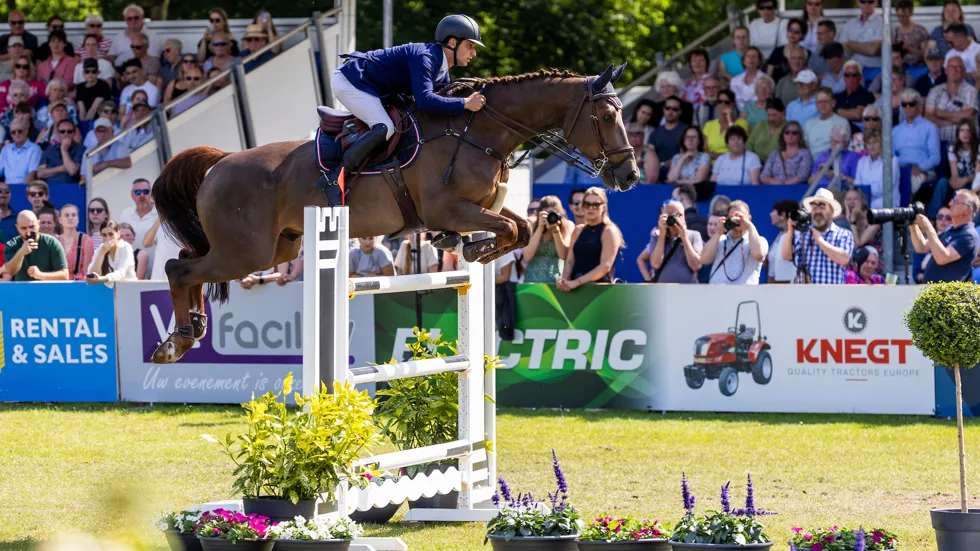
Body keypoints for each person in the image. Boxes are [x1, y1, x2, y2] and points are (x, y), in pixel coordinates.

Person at [319, 14, 487, 204]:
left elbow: (441, 102)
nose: (473, 53)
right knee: (385, 127)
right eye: (470, 46)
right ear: (452, 42)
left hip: (375, 88)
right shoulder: (425, 57)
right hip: (351, 81)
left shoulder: (441, 69)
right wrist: (465, 103)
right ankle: (335, 177)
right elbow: (425, 101)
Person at [780, 188, 854, 284]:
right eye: (814, 207)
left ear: (832, 211)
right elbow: (786, 256)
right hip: (804, 292)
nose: (817, 211)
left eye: (822, 207)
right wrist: (790, 230)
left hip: (831, 292)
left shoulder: (843, 234)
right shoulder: (802, 233)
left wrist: (819, 240)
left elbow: (844, 259)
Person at [559, 187, 623, 290]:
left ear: (603, 207)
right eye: (587, 204)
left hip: (599, 290)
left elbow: (605, 266)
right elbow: (570, 261)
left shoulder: (609, 231)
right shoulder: (578, 230)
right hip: (574, 289)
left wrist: (577, 282)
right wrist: (564, 280)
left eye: (596, 205)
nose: (591, 208)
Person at [914, 189, 980, 282]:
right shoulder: (949, 229)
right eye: (952, 200)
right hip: (933, 289)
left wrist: (929, 228)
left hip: (947, 291)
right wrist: (913, 223)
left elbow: (942, 258)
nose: (950, 204)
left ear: (968, 210)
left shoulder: (968, 235)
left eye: (956, 202)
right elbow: (921, 247)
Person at [701, 200, 768, 284]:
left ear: (749, 218)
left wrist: (750, 226)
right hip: (718, 290)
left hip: (744, 292)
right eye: (732, 217)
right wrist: (718, 233)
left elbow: (758, 255)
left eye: (741, 217)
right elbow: (704, 259)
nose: (737, 220)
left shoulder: (760, 240)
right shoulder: (720, 240)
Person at [640, 199, 703, 283]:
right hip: (663, 289)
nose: (675, 218)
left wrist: (684, 237)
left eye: (679, 215)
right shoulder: (656, 235)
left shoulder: (694, 235)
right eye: (671, 215)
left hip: (687, 288)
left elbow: (696, 266)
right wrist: (662, 234)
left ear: (684, 216)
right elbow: (655, 264)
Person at [930, 118, 978, 217]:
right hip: (960, 179)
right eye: (962, 130)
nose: (965, 134)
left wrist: (965, 180)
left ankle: (953, 217)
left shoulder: (978, 148)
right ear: (958, 133)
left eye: (968, 130)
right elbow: (954, 173)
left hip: (973, 182)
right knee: (942, 182)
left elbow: (978, 172)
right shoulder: (953, 148)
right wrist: (954, 180)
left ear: (973, 132)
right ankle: (932, 217)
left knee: (962, 189)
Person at [3, 210, 68, 281]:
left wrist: (40, 275)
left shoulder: (51, 243)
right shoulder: (12, 244)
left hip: (46, 287)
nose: (28, 231)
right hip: (22, 287)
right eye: (24, 228)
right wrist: (21, 253)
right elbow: (11, 271)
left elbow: (65, 275)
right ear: (17, 228)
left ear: (38, 224)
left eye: (32, 226)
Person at [522, 195, 575, 283]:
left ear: (560, 214)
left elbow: (564, 255)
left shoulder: (567, 226)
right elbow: (527, 256)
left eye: (553, 214)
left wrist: (556, 230)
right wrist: (540, 228)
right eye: (547, 214)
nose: (550, 217)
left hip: (556, 281)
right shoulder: (533, 225)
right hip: (532, 281)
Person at [85, 219, 137, 284]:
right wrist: (102, 253)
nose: (108, 238)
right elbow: (92, 274)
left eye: (111, 234)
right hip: (108, 288)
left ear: (118, 234)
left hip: (129, 287)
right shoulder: (100, 249)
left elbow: (121, 273)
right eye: (104, 235)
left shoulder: (126, 247)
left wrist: (102, 279)